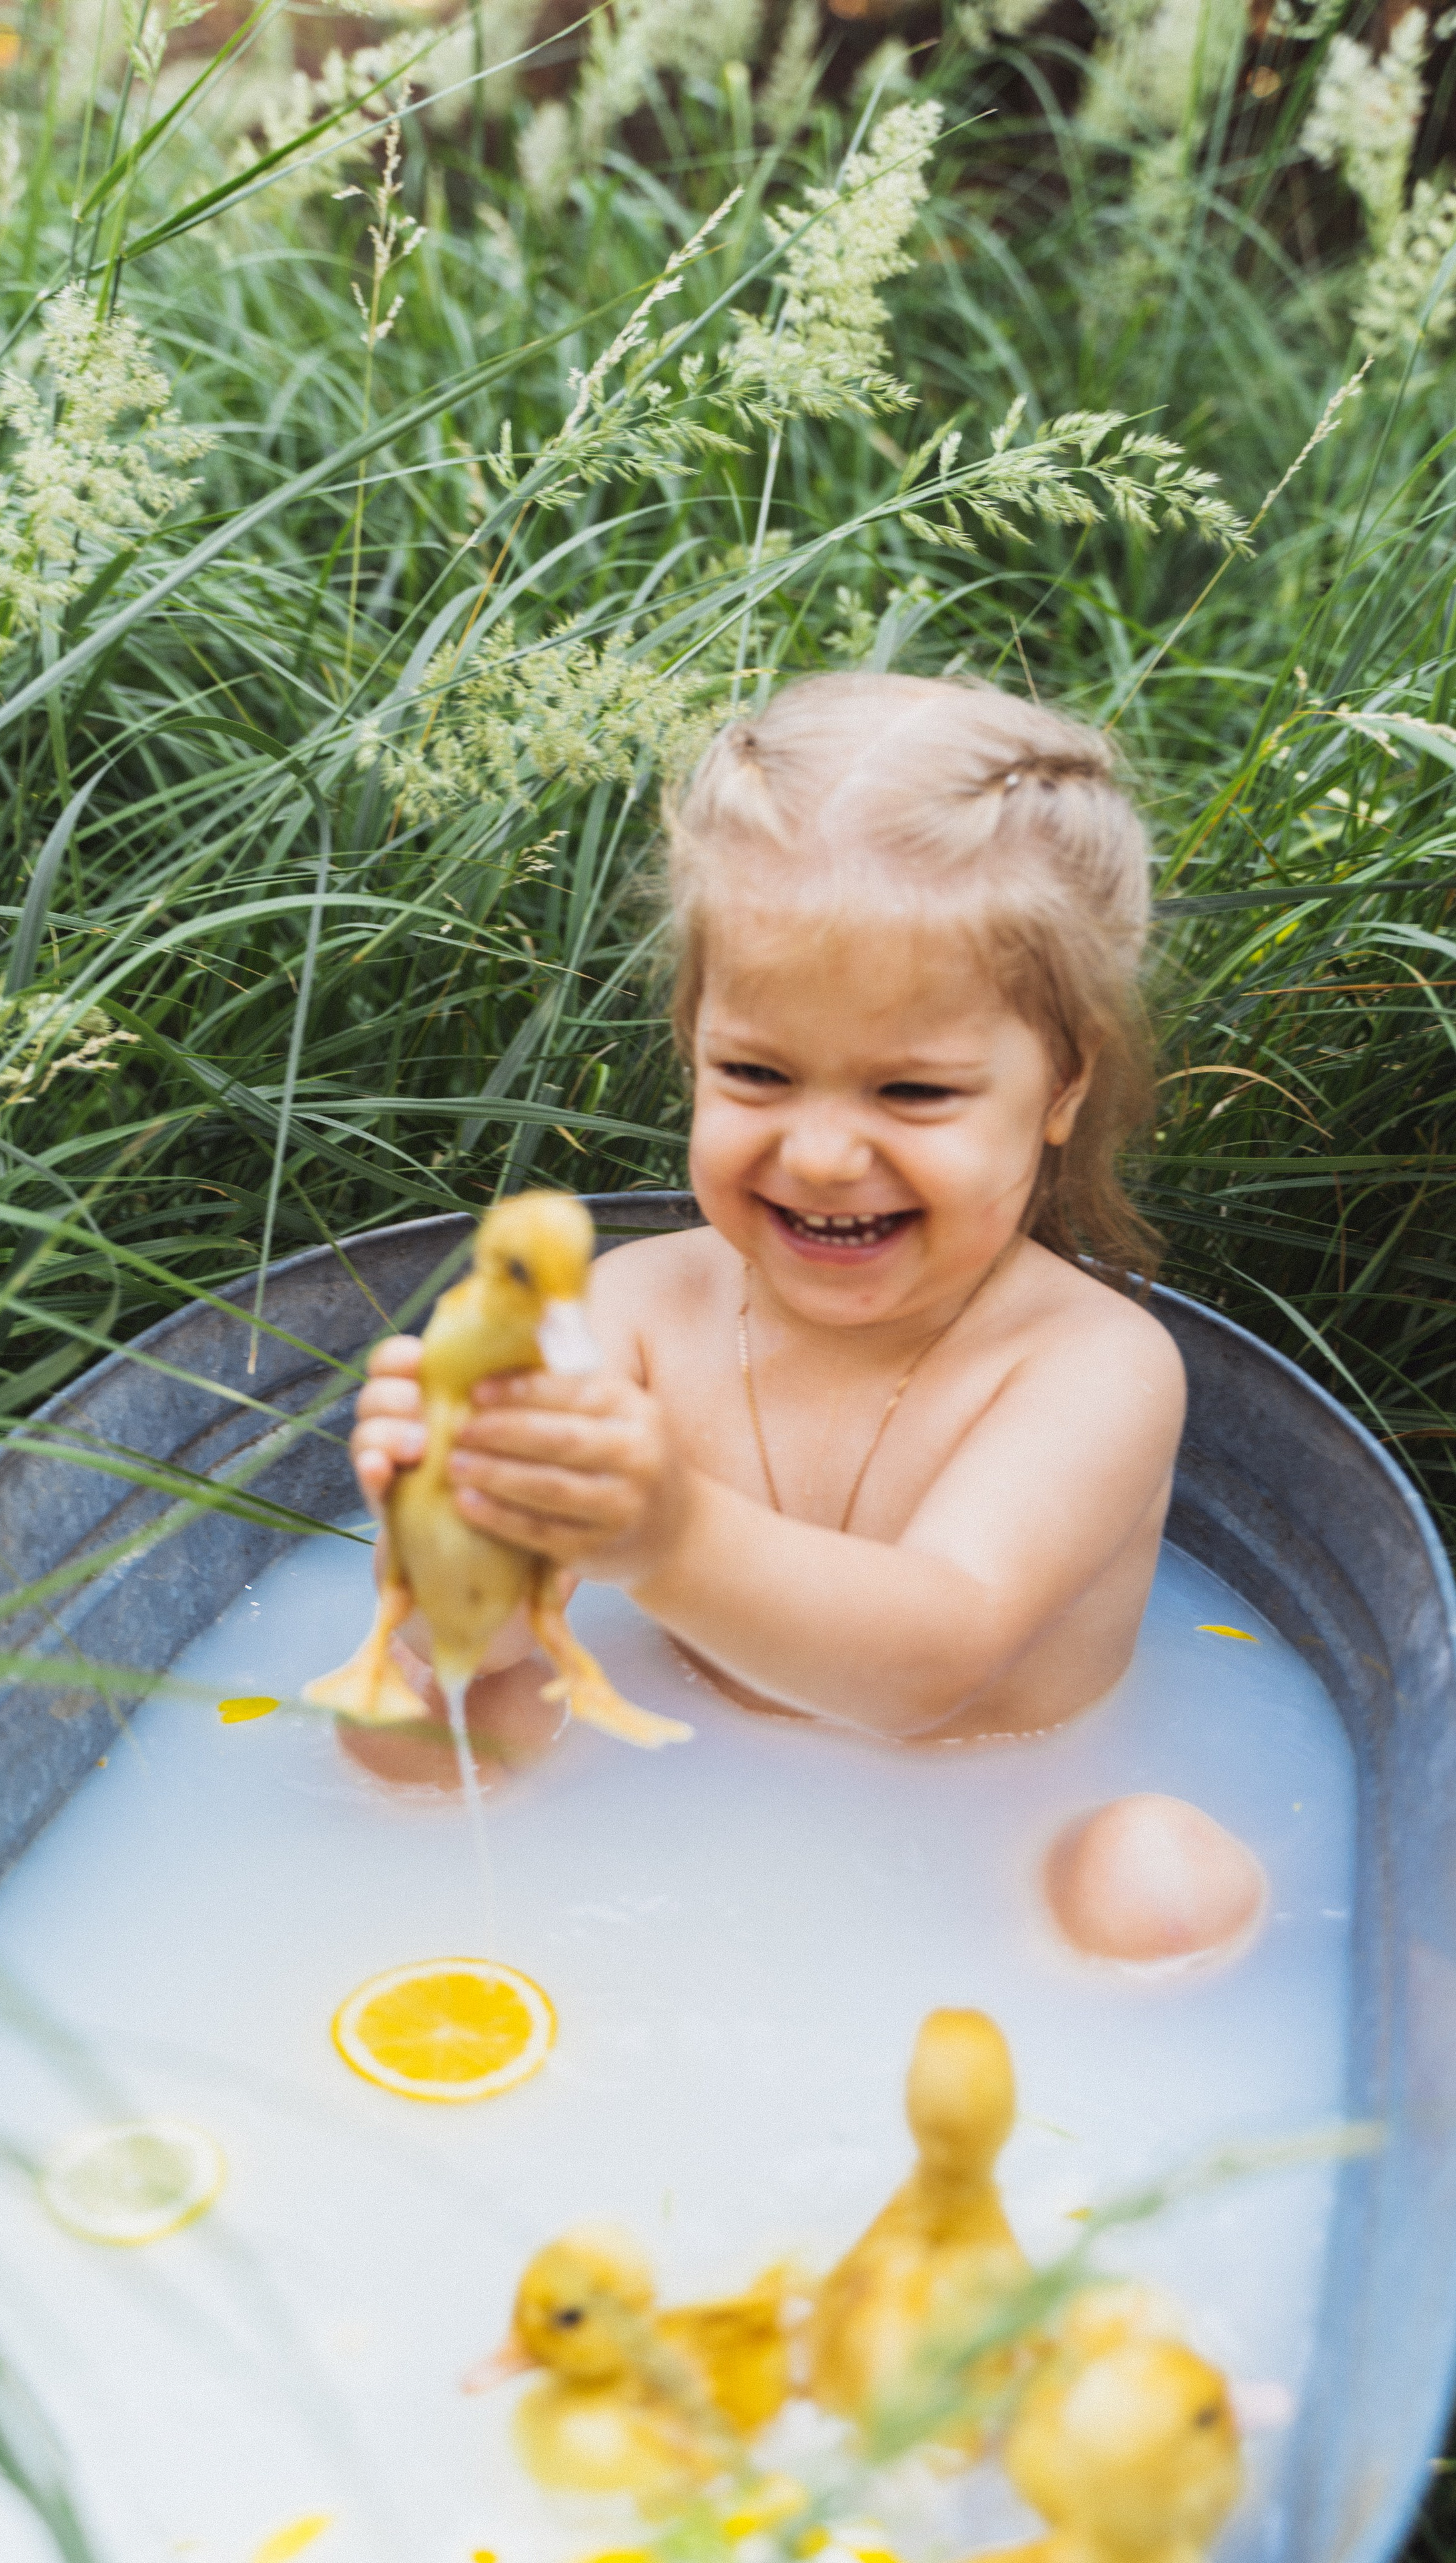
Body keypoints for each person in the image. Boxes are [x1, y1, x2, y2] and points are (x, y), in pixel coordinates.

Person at [342, 672, 1263, 1963]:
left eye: (913, 1089)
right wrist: (449, 1526)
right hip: (676, 1790)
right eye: (758, 1072)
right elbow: (492, 1637)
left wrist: (661, 1530)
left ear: (1062, 1085)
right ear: (693, 1043)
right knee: (408, 1732)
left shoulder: (1092, 1367)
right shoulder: (635, 1308)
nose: (823, 1153)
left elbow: (932, 1655)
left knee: (1157, 1881)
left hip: (990, 1837)